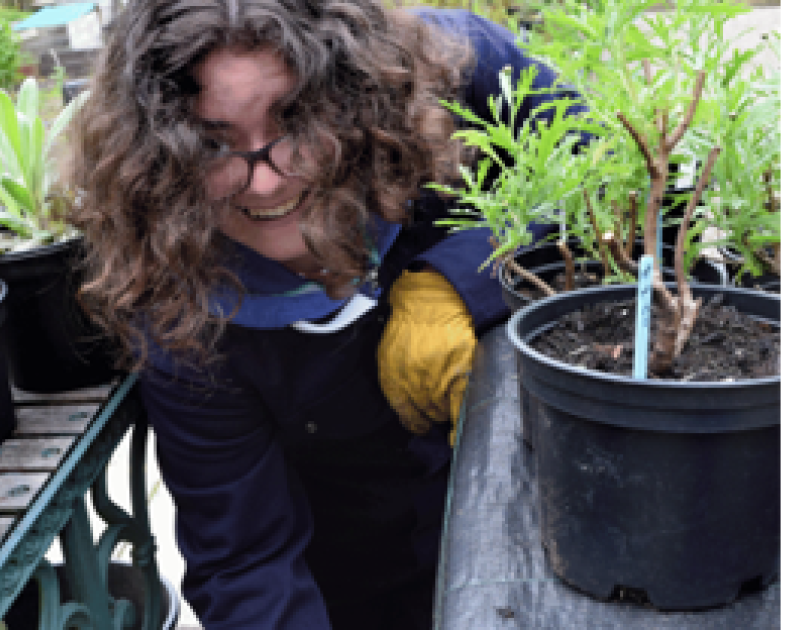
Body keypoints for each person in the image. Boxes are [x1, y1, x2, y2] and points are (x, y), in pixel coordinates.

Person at [63, 1, 590, 627]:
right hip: (372, 574)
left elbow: (614, 178)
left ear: (358, 94)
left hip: (578, 526)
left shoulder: (454, 73)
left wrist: (461, 280)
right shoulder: (180, 309)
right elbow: (245, 561)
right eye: (213, 143)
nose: (267, 181)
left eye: (293, 118)